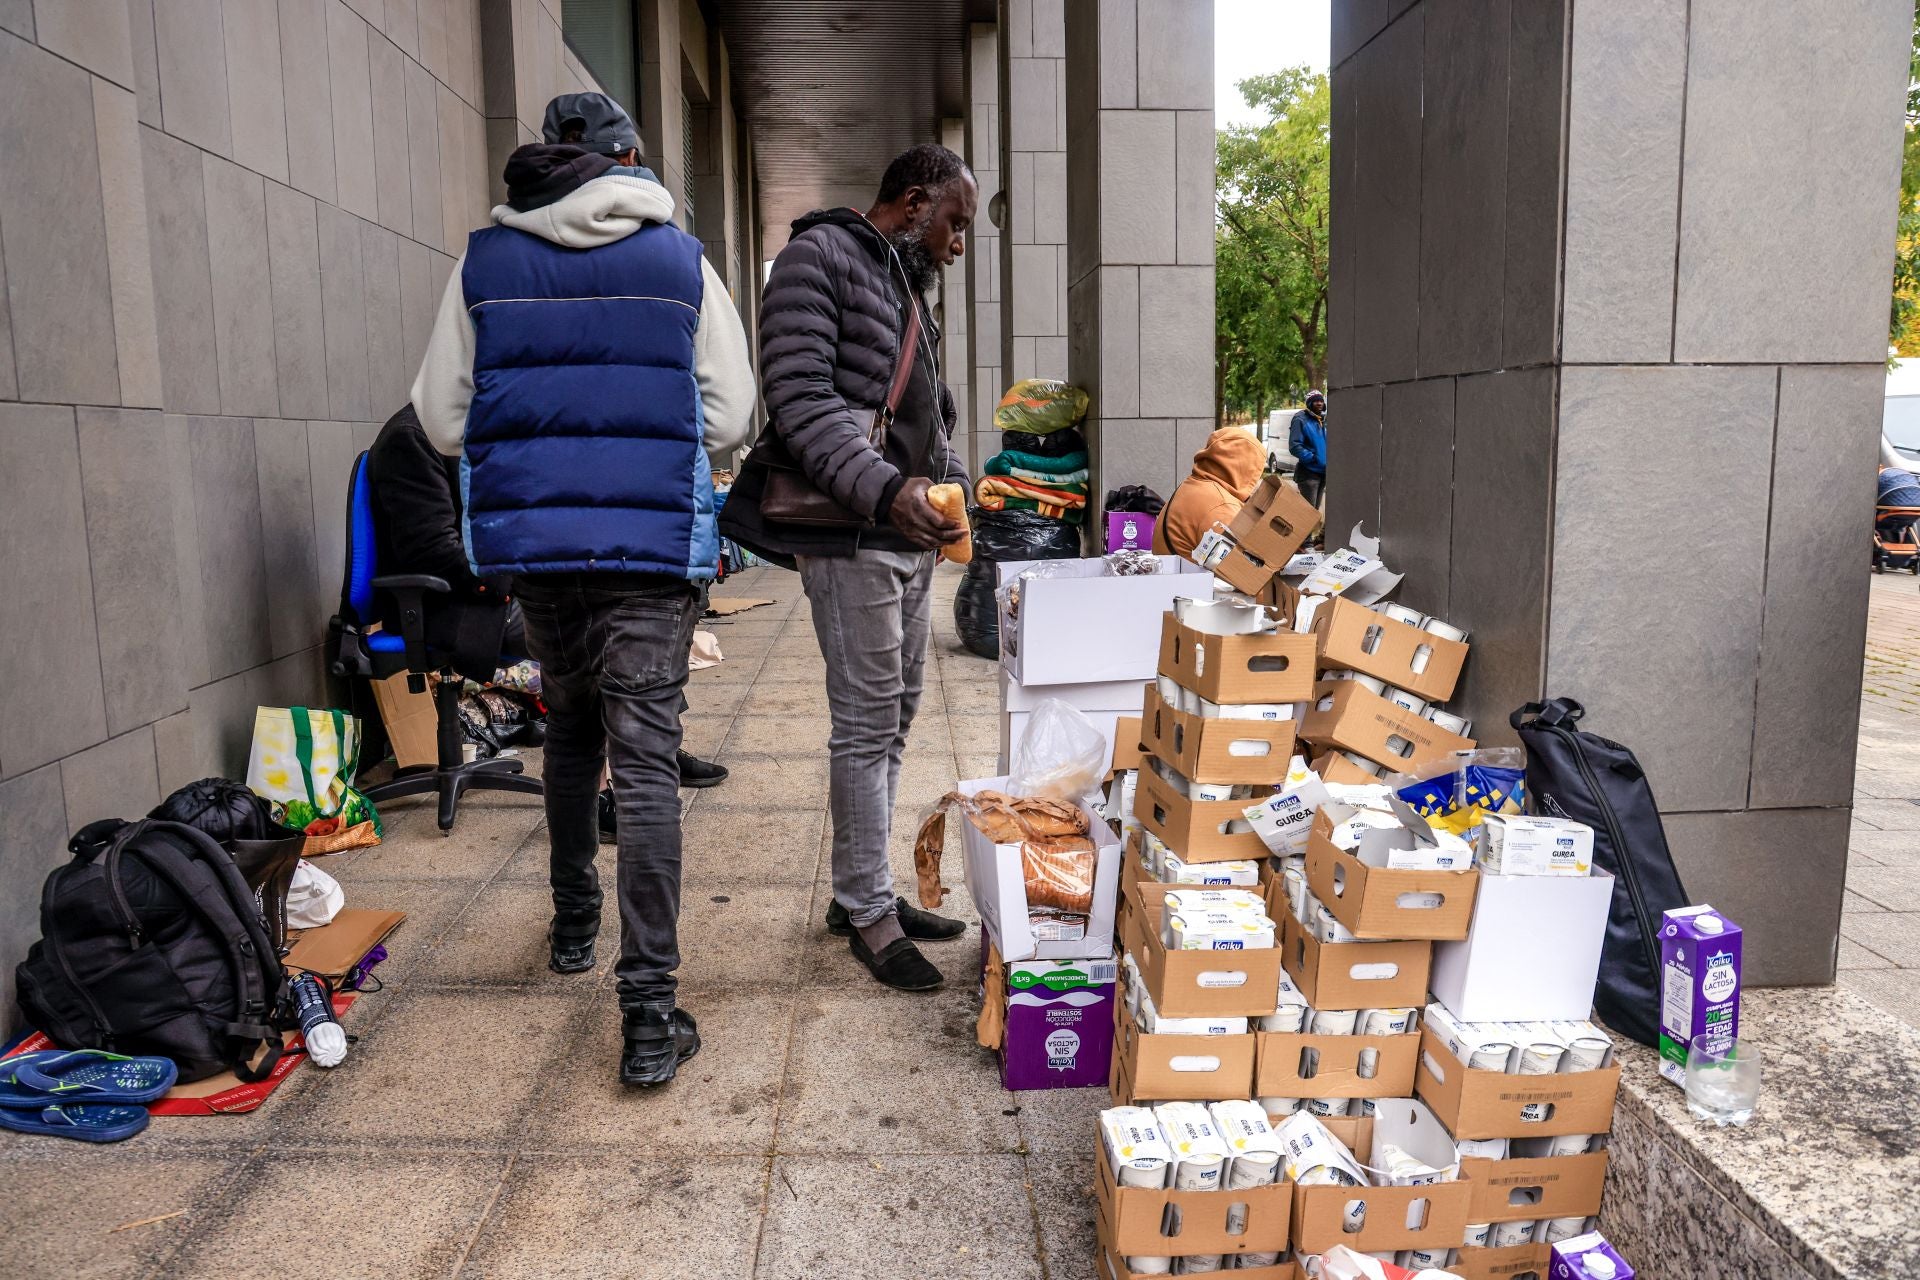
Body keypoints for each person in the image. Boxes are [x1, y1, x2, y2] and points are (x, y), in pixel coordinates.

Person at [410, 92, 754, 1087]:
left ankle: (572, 924)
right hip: (649, 550)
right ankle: (648, 1013)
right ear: (632, 160)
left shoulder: (484, 260)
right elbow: (731, 415)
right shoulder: (679, 261)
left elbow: (439, 418)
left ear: (547, 160)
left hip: (538, 549)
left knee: (571, 730)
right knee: (646, 762)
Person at [720, 144, 977, 992]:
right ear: (912, 203)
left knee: (896, 716)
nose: (958, 242)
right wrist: (885, 490)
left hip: (906, 534)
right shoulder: (814, 258)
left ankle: (859, 890)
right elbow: (798, 402)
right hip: (854, 530)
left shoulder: (901, 281)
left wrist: (956, 483)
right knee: (866, 724)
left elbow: (920, 411)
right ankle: (869, 913)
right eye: (954, 222)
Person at [364, 402, 730, 815]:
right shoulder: (412, 437)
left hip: (499, 587)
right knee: (591, 634)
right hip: (451, 603)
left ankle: (653, 745)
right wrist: (526, 578)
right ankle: (604, 789)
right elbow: (432, 551)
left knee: (638, 615)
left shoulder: (473, 427)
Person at [1153, 426, 1268, 561]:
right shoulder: (1221, 505)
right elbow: (1247, 565)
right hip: (1193, 581)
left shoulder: (1195, 484)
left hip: (1170, 576)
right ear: (1245, 468)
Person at [1288, 391, 1328, 508]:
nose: (1319, 403)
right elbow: (1295, 446)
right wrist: (1313, 458)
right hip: (1308, 473)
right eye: (1316, 401)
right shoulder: (1300, 419)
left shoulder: (1322, 420)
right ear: (1309, 403)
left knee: (1314, 513)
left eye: (1321, 401)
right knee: (1307, 515)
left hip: (1323, 473)